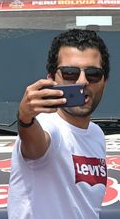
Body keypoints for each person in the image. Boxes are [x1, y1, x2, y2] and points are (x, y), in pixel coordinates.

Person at [9, 29, 110, 218]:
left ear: (105, 81)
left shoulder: (96, 134)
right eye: (70, 73)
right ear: (51, 79)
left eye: (93, 74)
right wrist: (25, 118)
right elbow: (35, 144)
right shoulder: (48, 125)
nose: (82, 81)